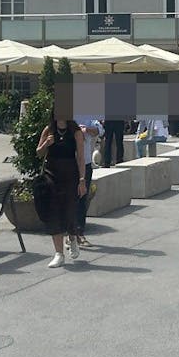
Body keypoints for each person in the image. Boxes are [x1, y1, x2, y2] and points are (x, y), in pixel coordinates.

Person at [35, 97, 86, 268]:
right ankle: (58, 253)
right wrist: (46, 145)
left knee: (70, 211)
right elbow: (38, 153)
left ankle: (72, 237)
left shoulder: (76, 132)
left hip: (70, 175)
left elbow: (80, 157)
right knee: (54, 212)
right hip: (51, 174)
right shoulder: (49, 130)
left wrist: (82, 180)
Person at [77, 118, 103, 247]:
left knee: (82, 198)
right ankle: (69, 233)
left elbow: (100, 130)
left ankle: (79, 233)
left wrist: (87, 130)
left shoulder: (88, 113)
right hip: (69, 162)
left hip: (85, 162)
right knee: (69, 198)